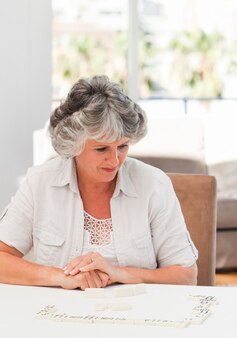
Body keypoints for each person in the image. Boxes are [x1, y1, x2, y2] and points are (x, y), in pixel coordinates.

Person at [0, 75, 198, 290]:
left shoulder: (153, 184)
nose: (114, 161)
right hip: (56, 316)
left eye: (122, 146)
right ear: (73, 144)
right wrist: (61, 277)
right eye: (101, 149)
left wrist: (118, 274)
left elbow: (186, 276)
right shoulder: (40, 183)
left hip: (137, 315)